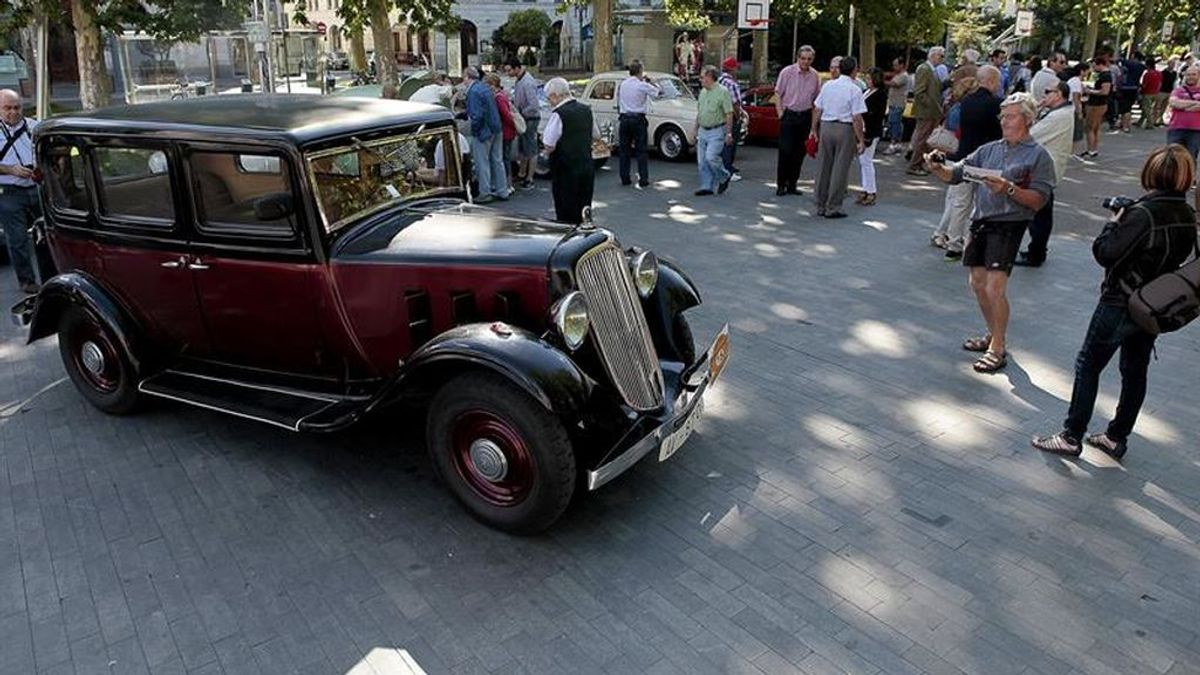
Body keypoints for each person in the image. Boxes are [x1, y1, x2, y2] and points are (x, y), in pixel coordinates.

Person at [1033, 145, 1198, 459]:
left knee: (1088, 366)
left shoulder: (1142, 213)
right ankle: (1115, 436)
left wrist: (1113, 222)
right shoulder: (1187, 215)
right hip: (1153, 304)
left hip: (1120, 301)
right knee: (1135, 372)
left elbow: (1105, 252)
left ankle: (1071, 435)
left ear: (1150, 173)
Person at [926, 93, 1056, 374]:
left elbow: (1038, 200)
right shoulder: (989, 150)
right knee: (977, 284)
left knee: (994, 288)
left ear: (1027, 119)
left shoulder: (1038, 156)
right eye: (1002, 116)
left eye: (1009, 116)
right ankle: (993, 334)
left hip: (1009, 224)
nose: (1003, 121)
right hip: (981, 221)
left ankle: (998, 347)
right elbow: (956, 174)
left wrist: (1007, 188)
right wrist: (937, 167)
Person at [931, 66, 1003, 260]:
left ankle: (953, 244)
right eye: (997, 81)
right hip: (986, 163)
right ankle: (972, 243)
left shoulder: (966, 102)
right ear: (991, 81)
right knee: (982, 204)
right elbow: (1000, 135)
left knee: (960, 203)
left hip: (964, 157)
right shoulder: (997, 104)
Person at [1017, 82, 1075, 267]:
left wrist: (1030, 112)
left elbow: (1029, 135)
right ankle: (1037, 251)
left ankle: (1036, 253)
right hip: (1046, 170)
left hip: (1043, 172)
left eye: (1048, 92)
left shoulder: (1058, 116)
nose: (1044, 95)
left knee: (1039, 215)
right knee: (1041, 214)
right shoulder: (1061, 112)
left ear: (1058, 95)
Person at [811, 56, 866, 218]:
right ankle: (833, 205)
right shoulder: (854, 89)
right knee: (840, 168)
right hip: (845, 128)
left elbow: (817, 108)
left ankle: (820, 203)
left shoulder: (828, 86)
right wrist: (860, 139)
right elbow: (857, 117)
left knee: (823, 166)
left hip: (826, 126)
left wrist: (814, 128)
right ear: (854, 70)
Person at [0, 89, 40, 295]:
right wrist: (10, 169)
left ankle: (53, 273)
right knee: (17, 239)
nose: (13, 113)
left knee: (47, 233)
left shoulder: (33, 126)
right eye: (7, 108)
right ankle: (27, 281)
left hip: (36, 187)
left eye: (17, 108)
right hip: (9, 191)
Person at [542, 77, 598, 224]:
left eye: (549, 98)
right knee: (584, 209)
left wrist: (546, 152)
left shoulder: (559, 114)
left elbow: (549, 143)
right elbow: (596, 135)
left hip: (565, 170)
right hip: (586, 166)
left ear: (555, 95)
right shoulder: (586, 110)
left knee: (566, 212)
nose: (549, 102)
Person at [773, 46, 821, 196]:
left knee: (799, 153)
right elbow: (778, 93)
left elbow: (816, 102)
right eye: (803, 58)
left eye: (809, 59)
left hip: (805, 116)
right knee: (785, 150)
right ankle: (781, 184)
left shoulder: (815, 76)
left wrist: (814, 126)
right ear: (797, 58)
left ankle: (792, 184)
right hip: (789, 115)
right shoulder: (787, 72)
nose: (806, 62)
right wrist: (781, 113)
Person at [463, 67, 507, 204]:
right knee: (497, 160)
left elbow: (477, 116)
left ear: (466, 77)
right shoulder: (484, 87)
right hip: (496, 128)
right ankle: (502, 190)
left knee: (482, 162)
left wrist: (474, 131)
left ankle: (485, 192)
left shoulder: (473, 91)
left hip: (483, 131)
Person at [617, 60, 661, 188]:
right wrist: (651, 81)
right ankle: (643, 178)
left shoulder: (623, 84)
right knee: (641, 150)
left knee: (624, 150)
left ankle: (625, 177)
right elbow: (657, 92)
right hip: (638, 118)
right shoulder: (642, 85)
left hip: (625, 118)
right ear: (640, 71)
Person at [693, 65, 734, 197]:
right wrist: (695, 129)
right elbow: (700, 112)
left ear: (710, 77)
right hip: (703, 130)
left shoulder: (723, 92)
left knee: (711, 157)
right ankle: (706, 186)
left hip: (716, 130)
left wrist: (728, 133)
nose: (700, 79)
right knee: (702, 161)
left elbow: (729, 113)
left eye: (702, 77)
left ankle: (724, 176)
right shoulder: (703, 92)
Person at [907, 46, 945, 176]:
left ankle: (920, 163)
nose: (942, 59)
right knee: (922, 139)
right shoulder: (924, 69)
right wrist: (931, 105)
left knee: (926, 139)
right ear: (933, 55)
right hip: (926, 112)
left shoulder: (931, 70)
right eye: (941, 56)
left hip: (931, 111)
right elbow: (919, 91)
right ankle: (914, 165)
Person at [505, 57, 540, 189]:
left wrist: (520, 113)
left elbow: (534, 105)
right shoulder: (520, 80)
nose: (508, 73)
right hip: (525, 117)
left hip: (530, 119)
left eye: (509, 70)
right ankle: (522, 174)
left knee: (531, 150)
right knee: (523, 149)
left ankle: (530, 178)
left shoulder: (527, 82)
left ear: (517, 68)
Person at [855, 67, 887, 206]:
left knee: (867, 161)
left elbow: (877, 115)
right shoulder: (867, 92)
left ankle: (871, 190)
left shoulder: (880, 94)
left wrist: (862, 115)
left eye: (869, 78)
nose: (866, 81)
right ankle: (865, 188)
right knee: (863, 161)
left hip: (870, 130)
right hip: (862, 128)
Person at [485, 73, 517, 196]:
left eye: (488, 85)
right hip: (508, 131)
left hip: (506, 132)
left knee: (504, 158)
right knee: (504, 158)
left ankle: (507, 184)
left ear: (493, 85)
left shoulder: (498, 98)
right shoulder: (502, 95)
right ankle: (507, 184)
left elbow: (506, 115)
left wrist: (512, 125)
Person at [1166, 64, 1200, 169]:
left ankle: (1189, 180)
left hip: (1196, 130)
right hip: (1176, 128)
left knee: (1191, 156)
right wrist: (1195, 104)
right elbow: (1173, 102)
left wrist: (1183, 105)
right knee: (1172, 156)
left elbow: (1179, 103)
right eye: (1188, 74)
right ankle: (1173, 179)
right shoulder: (1178, 90)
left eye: (1193, 74)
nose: (1191, 77)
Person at [719, 57, 745, 181]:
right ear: (732, 69)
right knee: (730, 144)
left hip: (718, 116)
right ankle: (727, 170)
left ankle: (724, 167)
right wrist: (739, 116)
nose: (737, 71)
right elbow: (735, 103)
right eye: (736, 68)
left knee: (721, 144)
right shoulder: (732, 84)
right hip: (730, 116)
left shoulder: (718, 81)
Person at [1082, 55, 1113, 158]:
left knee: (1090, 127)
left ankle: (1091, 149)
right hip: (1100, 103)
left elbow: (1105, 91)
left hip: (1097, 104)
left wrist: (1090, 91)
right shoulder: (1104, 75)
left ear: (1100, 65)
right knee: (1095, 127)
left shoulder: (1105, 76)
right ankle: (1093, 149)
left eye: (1094, 66)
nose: (1093, 68)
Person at [883, 57, 909, 154]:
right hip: (894, 103)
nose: (894, 67)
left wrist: (879, 81)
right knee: (895, 123)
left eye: (896, 65)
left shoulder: (903, 76)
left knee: (894, 123)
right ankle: (897, 143)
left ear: (901, 65)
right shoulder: (898, 75)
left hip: (898, 104)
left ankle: (893, 143)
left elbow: (893, 84)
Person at [1066, 62, 1087, 155]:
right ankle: (1073, 152)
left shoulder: (1073, 81)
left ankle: (1073, 151)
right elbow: (1076, 97)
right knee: (1076, 131)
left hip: (1070, 108)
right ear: (1082, 71)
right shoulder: (1076, 81)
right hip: (1073, 109)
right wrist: (1079, 111)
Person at [1138, 57, 1162, 129]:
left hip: (1147, 93)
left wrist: (1140, 89)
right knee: (1147, 108)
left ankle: (1150, 123)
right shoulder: (1159, 73)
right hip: (1156, 92)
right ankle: (1140, 121)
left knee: (1146, 108)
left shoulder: (1147, 74)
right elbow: (1160, 83)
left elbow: (1144, 85)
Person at [1155, 56, 1179, 126]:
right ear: (1168, 64)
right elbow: (1160, 82)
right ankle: (1154, 119)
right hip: (1162, 91)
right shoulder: (1163, 72)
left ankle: (1160, 119)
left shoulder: (1174, 73)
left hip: (1169, 91)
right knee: (1157, 106)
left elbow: (1175, 82)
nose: (1173, 65)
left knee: (1164, 106)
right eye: (1171, 64)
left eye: (1174, 64)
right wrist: (1157, 90)